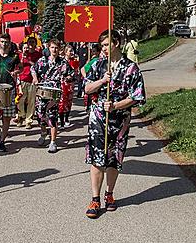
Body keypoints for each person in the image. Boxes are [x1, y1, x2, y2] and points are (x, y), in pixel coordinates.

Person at [84, 29, 146, 219]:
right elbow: (87, 88)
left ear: (116, 43)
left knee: (114, 158)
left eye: (106, 44)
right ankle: (95, 199)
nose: (103, 49)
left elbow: (138, 96)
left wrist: (117, 105)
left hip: (120, 120)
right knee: (96, 157)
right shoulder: (98, 65)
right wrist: (103, 80)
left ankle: (109, 195)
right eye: (101, 45)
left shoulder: (131, 68)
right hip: (98, 118)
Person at [31, 39, 74, 153]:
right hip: (42, 90)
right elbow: (33, 69)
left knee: (52, 116)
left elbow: (72, 74)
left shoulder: (63, 62)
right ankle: (44, 133)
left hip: (55, 92)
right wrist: (35, 78)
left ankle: (53, 142)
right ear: (48, 48)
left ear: (59, 49)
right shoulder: (42, 61)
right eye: (52, 47)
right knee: (40, 116)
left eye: (56, 48)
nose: (54, 50)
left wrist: (68, 78)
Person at [16, 36, 42, 129]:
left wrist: (28, 60)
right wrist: (22, 58)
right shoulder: (21, 54)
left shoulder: (39, 55)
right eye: (29, 42)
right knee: (20, 100)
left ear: (35, 44)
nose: (30, 44)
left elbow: (38, 66)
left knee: (31, 101)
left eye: (32, 42)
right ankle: (20, 116)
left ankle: (29, 120)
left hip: (32, 80)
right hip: (22, 79)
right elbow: (17, 67)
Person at [58, 44, 79, 129]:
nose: (71, 52)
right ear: (65, 52)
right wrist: (66, 76)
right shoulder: (62, 61)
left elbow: (76, 72)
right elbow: (60, 73)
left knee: (69, 102)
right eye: (69, 51)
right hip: (63, 84)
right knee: (62, 102)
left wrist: (74, 74)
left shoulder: (74, 61)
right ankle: (62, 122)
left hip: (71, 84)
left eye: (72, 51)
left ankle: (67, 119)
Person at [81, 43, 101, 112]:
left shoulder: (98, 60)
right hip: (92, 85)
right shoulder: (94, 61)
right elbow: (83, 69)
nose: (93, 53)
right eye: (92, 51)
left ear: (99, 52)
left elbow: (83, 69)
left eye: (94, 51)